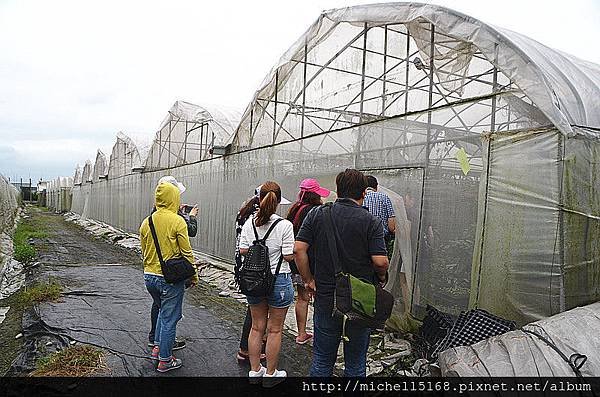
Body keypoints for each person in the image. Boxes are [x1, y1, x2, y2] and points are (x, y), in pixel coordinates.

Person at [294, 169, 389, 377]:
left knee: (322, 360)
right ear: (364, 193)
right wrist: (381, 278)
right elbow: (380, 261)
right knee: (355, 365)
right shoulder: (371, 221)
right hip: (359, 302)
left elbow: (298, 249)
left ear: (338, 190)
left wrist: (309, 279)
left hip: (326, 297)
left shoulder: (318, 214)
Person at [239, 181, 295, 383]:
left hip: (254, 280)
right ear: (278, 201)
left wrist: (259, 248)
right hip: (279, 279)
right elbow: (289, 256)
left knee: (256, 327)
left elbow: (243, 250)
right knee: (275, 329)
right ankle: (271, 373)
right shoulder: (285, 225)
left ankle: (255, 371)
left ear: (259, 199)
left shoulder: (249, 223)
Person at [140, 182, 198, 372]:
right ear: (174, 198)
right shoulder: (177, 221)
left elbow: (145, 251)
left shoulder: (146, 222)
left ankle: (157, 348)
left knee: (162, 313)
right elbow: (186, 253)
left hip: (149, 277)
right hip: (169, 279)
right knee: (169, 319)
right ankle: (165, 360)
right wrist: (193, 275)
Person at [286, 178, 330, 345]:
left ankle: (301, 333)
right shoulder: (316, 211)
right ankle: (321, 334)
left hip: (296, 262)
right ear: (315, 195)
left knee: (302, 298)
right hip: (311, 262)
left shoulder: (295, 209)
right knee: (318, 297)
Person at [364, 175, 396, 258]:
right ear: (376, 186)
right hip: (381, 239)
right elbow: (391, 226)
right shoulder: (385, 198)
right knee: (380, 264)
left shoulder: (360, 198)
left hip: (363, 239)